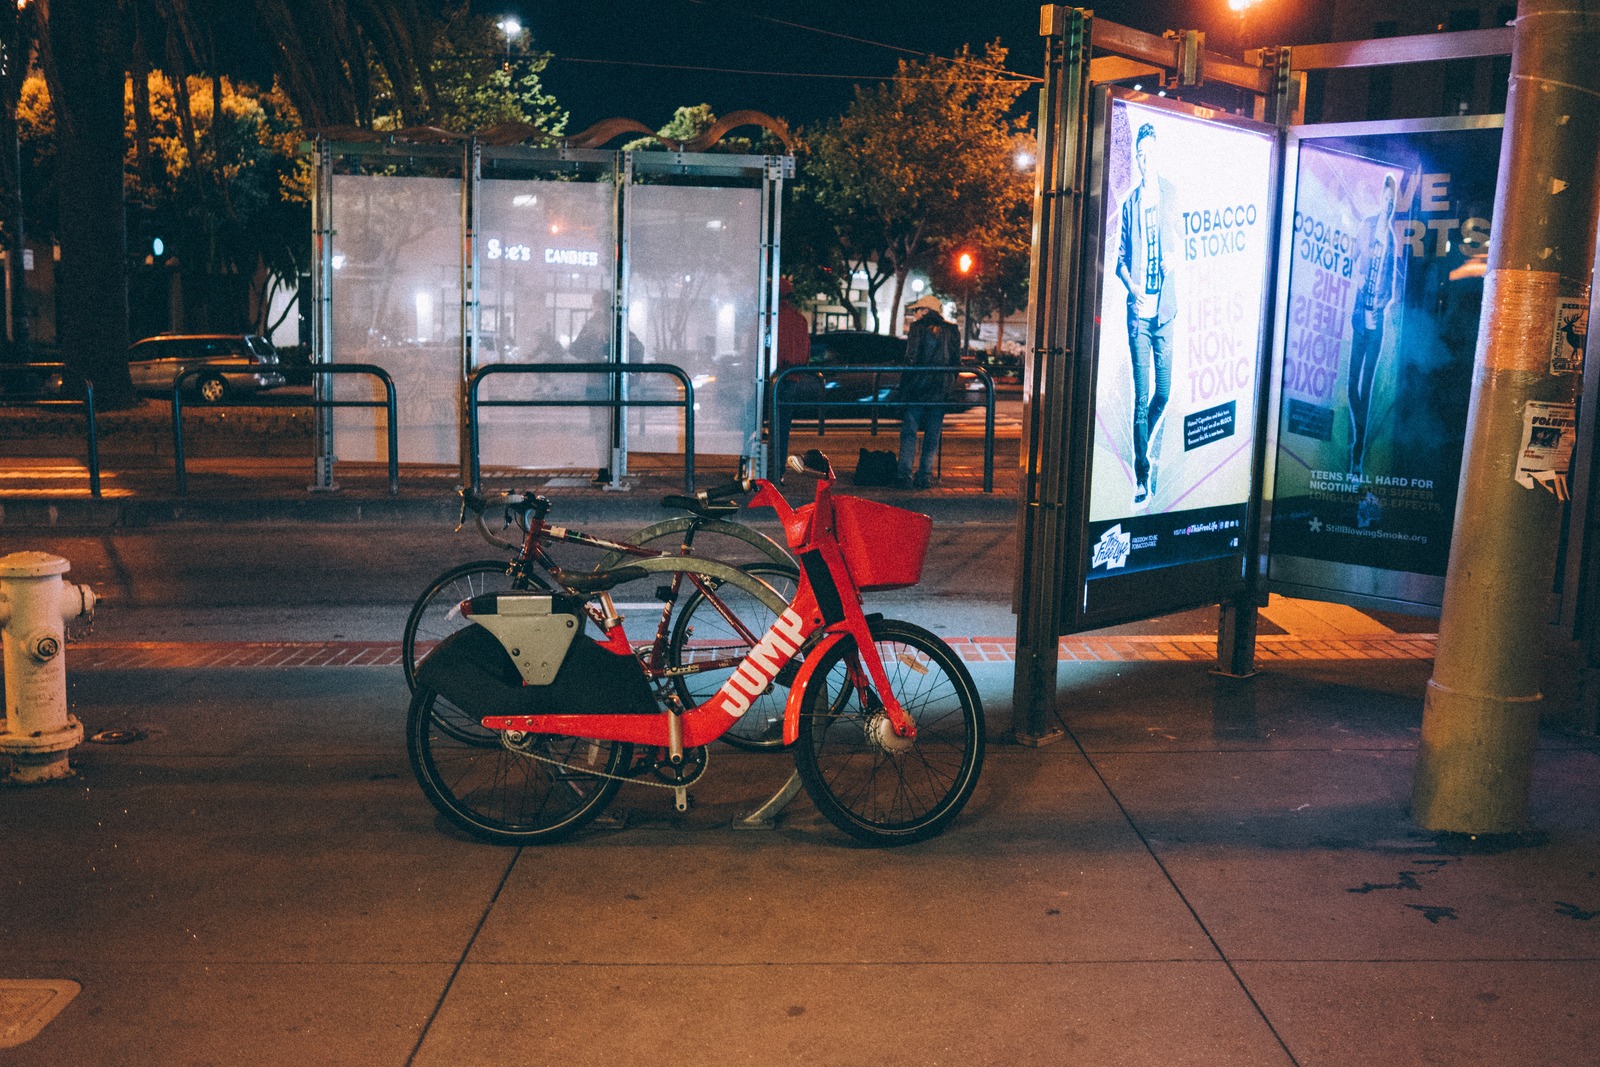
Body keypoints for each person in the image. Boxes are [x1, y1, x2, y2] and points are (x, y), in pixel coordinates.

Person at [1114, 121, 1181, 508]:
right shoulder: (1130, 204)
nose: (1144, 159)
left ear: (1157, 154)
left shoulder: (1172, 194)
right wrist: (1133, 288)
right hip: (1139, 314)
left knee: (1164, 393)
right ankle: (1143, 473)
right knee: (1141, 399)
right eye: (1140, 154)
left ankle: (1144, 443)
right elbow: (1121, 259)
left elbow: (1184, 238)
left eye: (1149, 152)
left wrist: (1177, 256)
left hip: (1166, 312)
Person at [1347, 173, 1398, 481]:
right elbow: (1352, 260)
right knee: (1352, 386)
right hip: (1359, 319)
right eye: (1386, 199)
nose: (1388, 206)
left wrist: (1377, 309)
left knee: (1366, 388)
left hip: (1374, 325)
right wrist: (1357, 277)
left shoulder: (1391, 240)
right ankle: (1358, 437)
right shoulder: (1366, 227)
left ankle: (1358, 453)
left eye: (1393, 203)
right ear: (1381, 198)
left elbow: (1391, 289)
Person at [896, 293, 961, 489]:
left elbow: (911, 358)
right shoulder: (952, 329)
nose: (915, 314)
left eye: (917, 310)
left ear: (926, 311)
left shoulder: (917, 328)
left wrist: (905, 385)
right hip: (940, 390)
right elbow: (956, 361)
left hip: (917, 387)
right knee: (933, 435)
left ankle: (904, 474)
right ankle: (924, 475)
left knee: (909, 432)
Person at [772, 277, 811, 469]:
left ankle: (754, 468)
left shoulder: (766, 318)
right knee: (782, 427)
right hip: (791, 378)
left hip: (769, 379)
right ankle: (778, 469)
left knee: (756, 425)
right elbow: (805, 353)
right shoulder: (800, 320)